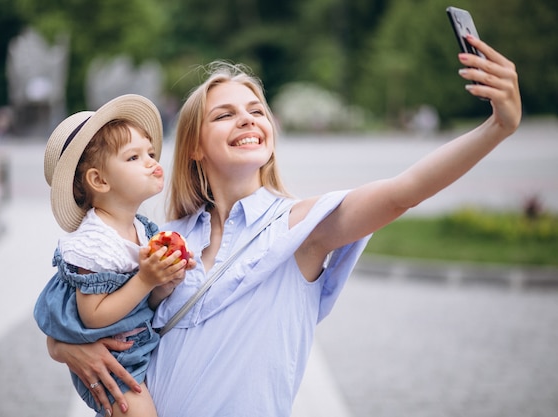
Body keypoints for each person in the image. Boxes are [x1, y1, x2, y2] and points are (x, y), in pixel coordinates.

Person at [47, 35, 521, 417]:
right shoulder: (162, 237)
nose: (248, 120)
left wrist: (496, 128)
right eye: (225, 114)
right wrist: (63, 347)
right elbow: (80, 302)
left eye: (257, 111)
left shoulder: (303, 229)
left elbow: (404, 190)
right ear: (195, 146)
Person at [34, 94, 194, 417]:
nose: (151, 161)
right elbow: (93, 315)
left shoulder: (142, 229)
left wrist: (164, 282)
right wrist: (146, 279)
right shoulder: (94, 242)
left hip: (137, 345)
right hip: (111, 360)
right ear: (99, 180)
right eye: (133, 158)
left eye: (149, 152)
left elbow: (139, 302)